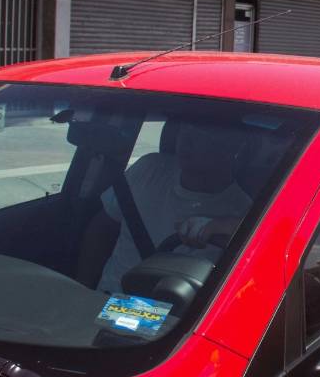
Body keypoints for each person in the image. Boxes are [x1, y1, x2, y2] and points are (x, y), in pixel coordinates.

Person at [92, 119, 251, 295]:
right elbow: (101, 230)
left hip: (181, 319)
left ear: (232, 146)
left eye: (203, 132)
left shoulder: (247, 217)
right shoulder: (148, 169)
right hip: (104, 302)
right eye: (185, 127)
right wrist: (85, 288)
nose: (186, 139)